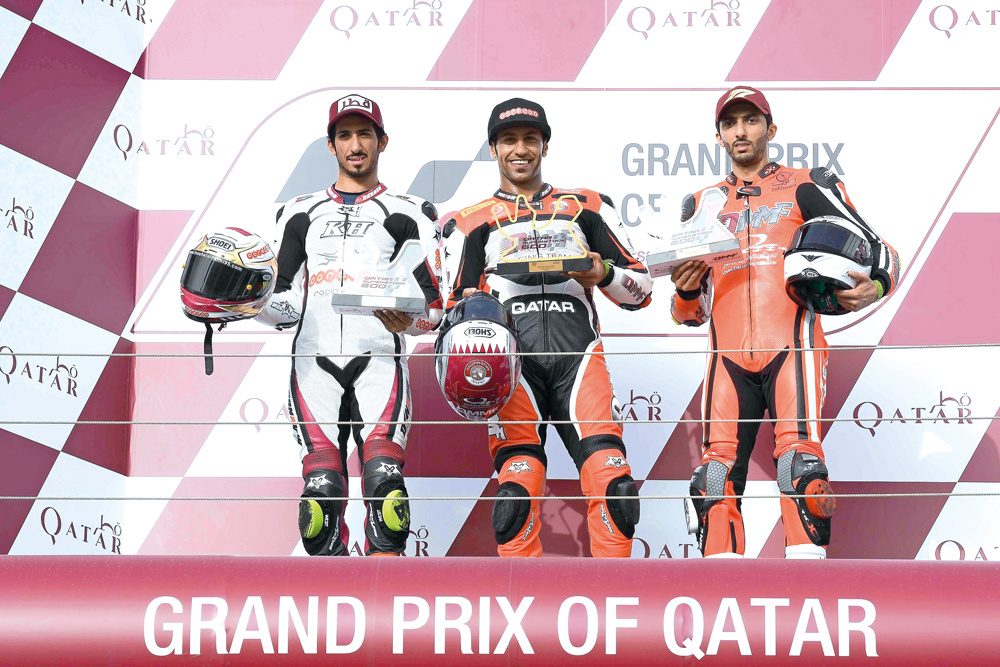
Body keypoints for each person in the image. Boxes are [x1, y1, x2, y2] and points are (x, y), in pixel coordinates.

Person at [672, 86, 900, 559]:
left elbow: (882, 251)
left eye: (750, 120)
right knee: (713, 477)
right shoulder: (701, 203)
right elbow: (688, 313)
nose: (740, 131)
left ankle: (806, 585)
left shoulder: (806, 184)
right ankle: (720, 593)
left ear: (770, 129)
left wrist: (875, 286)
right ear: (718, 136)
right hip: (725, 359)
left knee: (800, 466)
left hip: (793, 348)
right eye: (730, 123)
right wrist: (688, 290)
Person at [443, 98, 652, 557]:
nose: (520, 149)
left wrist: (603, 274)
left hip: (581, 358)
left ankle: (616, 596)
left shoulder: (588, 207)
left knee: (614, 487)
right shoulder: (468, 222)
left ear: (545, 145)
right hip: (510, 367)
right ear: (493, 148)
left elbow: (641, 291)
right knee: (515, 498)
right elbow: (450, 312)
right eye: (509, 140)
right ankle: (523, 599)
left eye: (530, 139)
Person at [256, 94, 443, 556]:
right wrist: (246, 304)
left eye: (364, 135)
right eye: (344, 136)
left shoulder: (411, 210)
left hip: (380, 361)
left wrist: (409, 320)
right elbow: (285, 303)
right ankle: (334, 599)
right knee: (319, 504)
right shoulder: (297, 211)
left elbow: (434, 310)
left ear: (383, 141)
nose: (355, 145)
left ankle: (386, 594)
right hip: (312, 364)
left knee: (386, 490)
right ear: (330, 145)